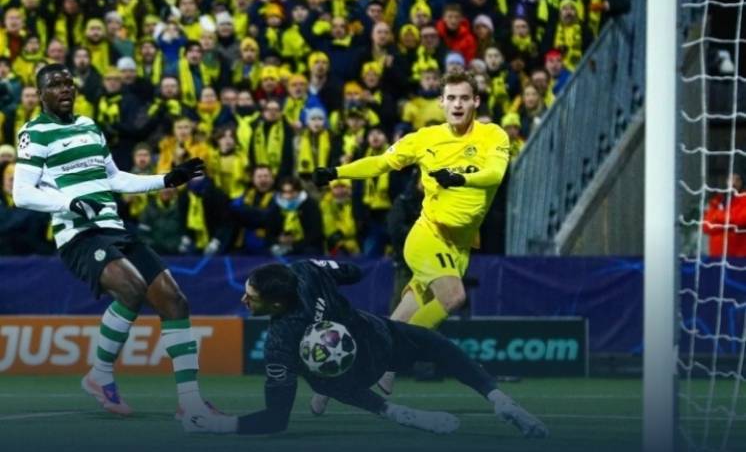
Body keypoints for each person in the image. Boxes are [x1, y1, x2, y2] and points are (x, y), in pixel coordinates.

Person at [11, 64, 224, 428]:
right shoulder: (35, 132)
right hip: (79, 234)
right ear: (41, 93)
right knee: (132, 288)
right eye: (55, 84)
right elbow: (22, 193)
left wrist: (166, 179)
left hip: (115, 228)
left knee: (174, 300)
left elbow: (114, 179)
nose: (65, 88)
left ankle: (190, 403)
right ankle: (100, 373)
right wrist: (69, 203)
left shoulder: (89, 126)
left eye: (68, 83)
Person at [182, 260, 548, 439]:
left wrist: (216, 424)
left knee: (321, 380)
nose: (243, 299)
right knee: (437, 345)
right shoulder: (306, 271)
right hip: (379, 338)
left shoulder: (279, 341)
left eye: (251, 297)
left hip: (352, 379)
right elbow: (354, 272)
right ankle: (500, 399)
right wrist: (330, 275)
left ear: (276, 305)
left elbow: (276, 420)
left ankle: (393, 411)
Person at [313, 70, 510, 399]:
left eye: (464, 98)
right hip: (427, 235)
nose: (457, 104)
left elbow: (495, 174)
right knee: (453, 297)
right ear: (441, 102)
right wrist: (336, 172)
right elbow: (381, 163)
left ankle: (342, 377)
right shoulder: (424, 138)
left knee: (395, 323)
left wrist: (460, 179)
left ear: (476, 101)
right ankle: (389, 362)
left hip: (460, 246)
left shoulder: (493, 135)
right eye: (451, 98)